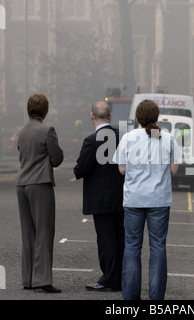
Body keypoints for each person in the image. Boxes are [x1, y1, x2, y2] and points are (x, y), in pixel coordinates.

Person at [113, 100, 181, 300]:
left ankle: (131, 298)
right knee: (158, 247)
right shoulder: (167, 138)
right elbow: (174, 169)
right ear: (157, 116)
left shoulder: (128, 138)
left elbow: (122, 169)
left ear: (138, 117)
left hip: (134, 199)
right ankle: (156, 297)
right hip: (159, 200)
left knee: (132, 247)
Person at [74, 101, 125, 292]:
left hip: (100, 199)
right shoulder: (121, 136)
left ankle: (109, 279)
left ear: (91, 116)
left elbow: (80, 169)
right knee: (119, 238)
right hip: (120, 196)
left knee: (106, 240)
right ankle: (120, 277)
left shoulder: (91, 141)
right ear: (110, 116)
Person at [16, 93, 64, 293]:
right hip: (40, 183)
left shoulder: (22, 132)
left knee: (28, 233)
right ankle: (42, 279)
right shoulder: (47, 130)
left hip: (22, 184)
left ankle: (28, 279)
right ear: (45, 110)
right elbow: (57, 158)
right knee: (44, 231)